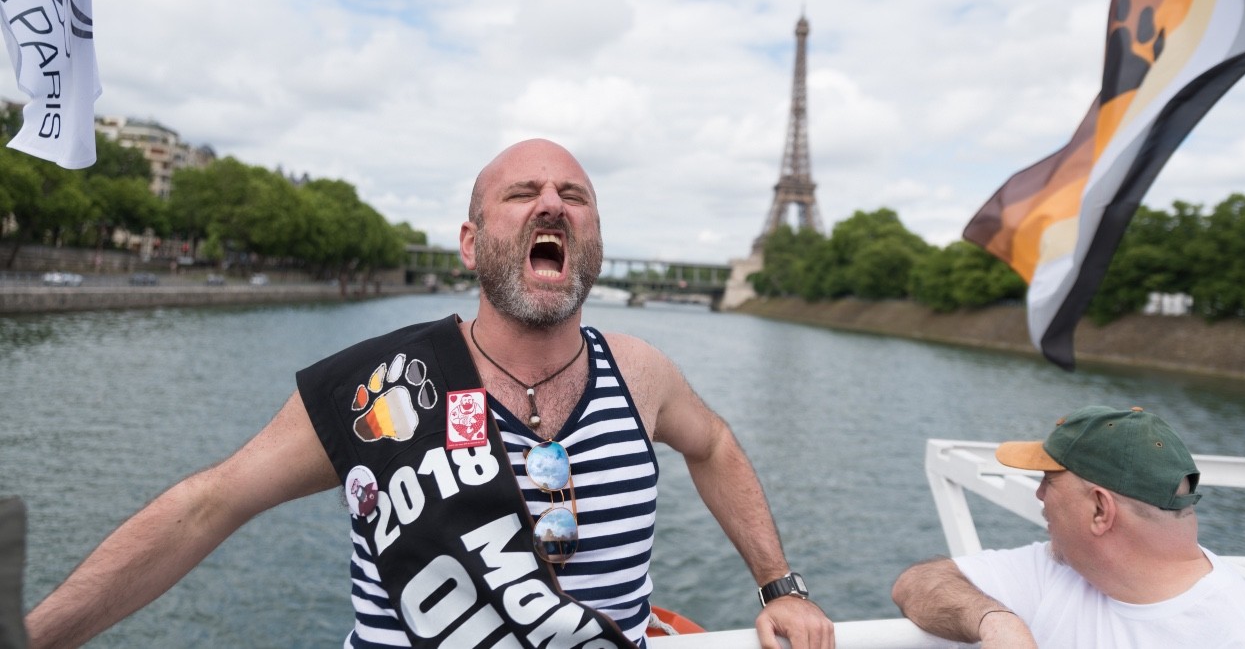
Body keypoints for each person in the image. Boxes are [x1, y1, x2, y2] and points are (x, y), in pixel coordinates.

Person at [25, 138, 834, 649]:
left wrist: (779, 584)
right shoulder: (379, 387)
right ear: (471, 244)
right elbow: (210, 504)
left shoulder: (642, 372)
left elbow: (716, 444)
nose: (551, 202)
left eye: (573, 195)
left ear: (593, 241)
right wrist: (33, 636)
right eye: (521, 193)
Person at [891, 405, 1245, 648]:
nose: (1038, 496)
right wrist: (995, 620)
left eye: (1049, 481)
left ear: (1100, 510)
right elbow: (918, 582)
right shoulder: (1063, 569)